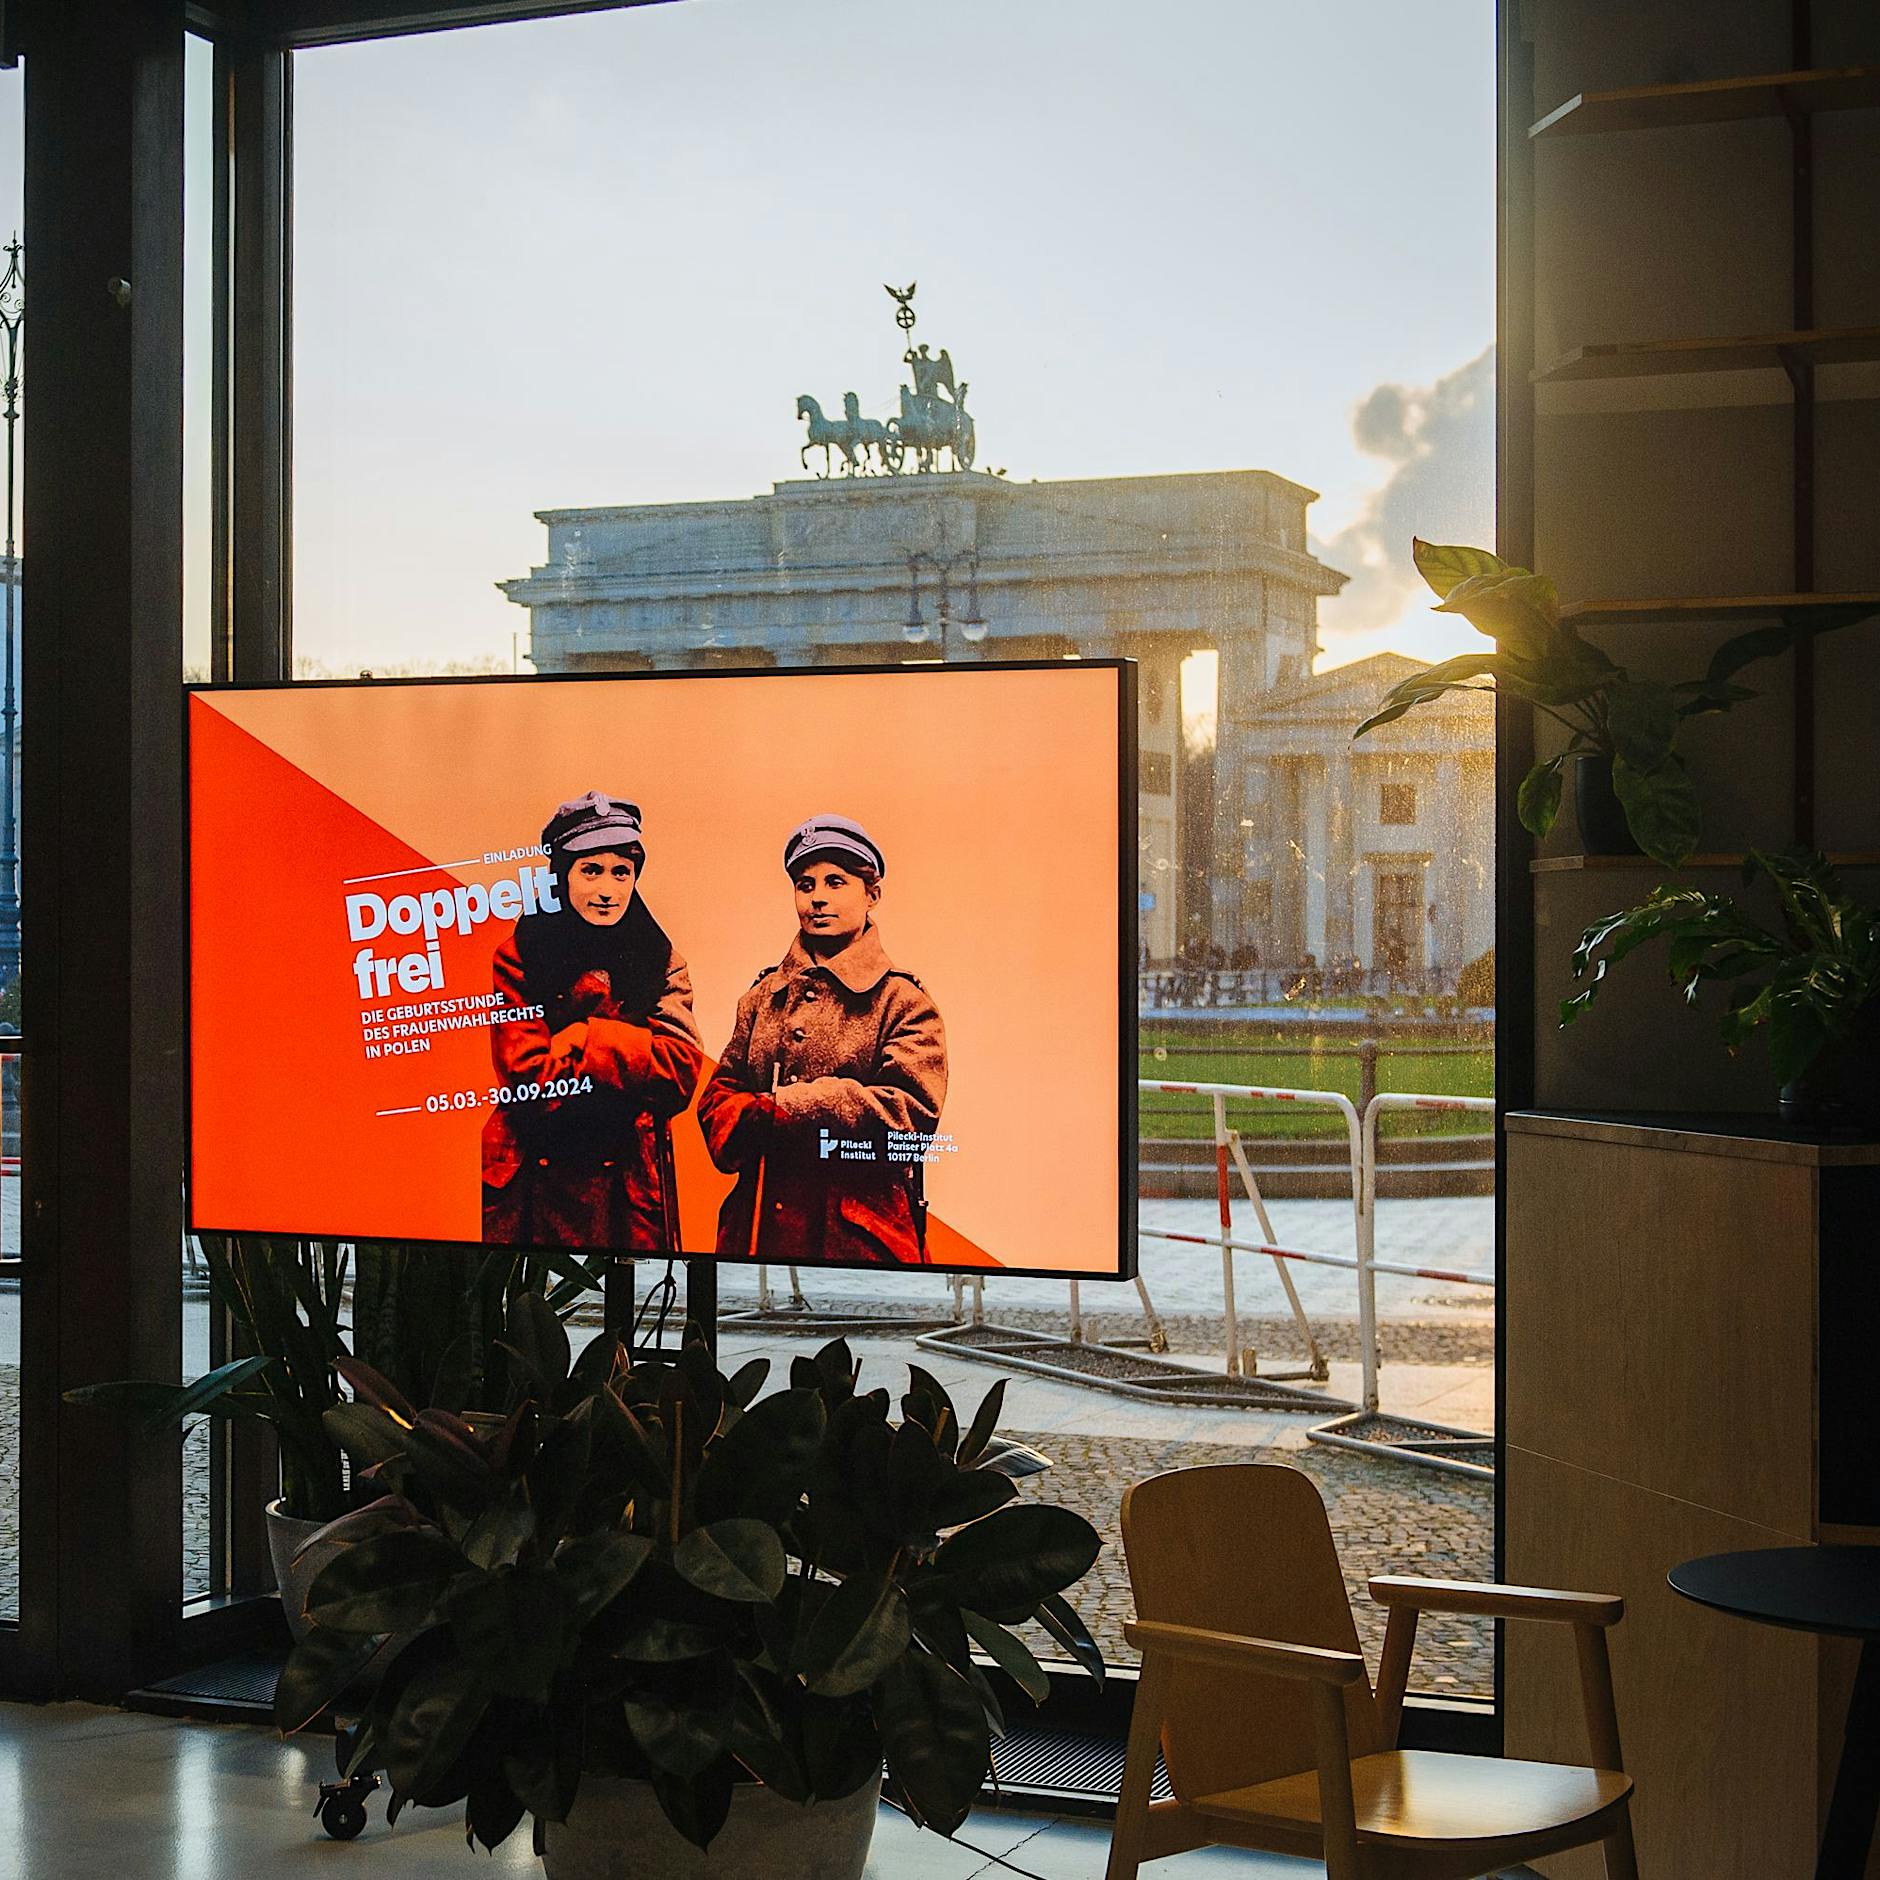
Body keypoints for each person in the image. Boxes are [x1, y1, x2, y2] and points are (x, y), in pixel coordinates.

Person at [698, 814, 946, 1266]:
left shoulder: (904, 1002)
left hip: (857, 1240)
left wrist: (789, 1107)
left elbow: (910, 1119)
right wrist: (747, 1115)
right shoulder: (760, 998)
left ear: (872, 895)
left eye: (836, 882)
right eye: (805, 884)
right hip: (757, 1231)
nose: (818, 899)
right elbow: (718, 1100)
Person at [482, 791, 702, 1251]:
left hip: (628, 1185)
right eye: (591, 870)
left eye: (621, 872)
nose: (608, 889)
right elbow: (529, 1082)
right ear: (561, 876)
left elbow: (681, 1073)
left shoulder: (661, 960)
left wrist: (585, 1037)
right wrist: (637, 1057)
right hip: (534, 1185)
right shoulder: (520, 955)